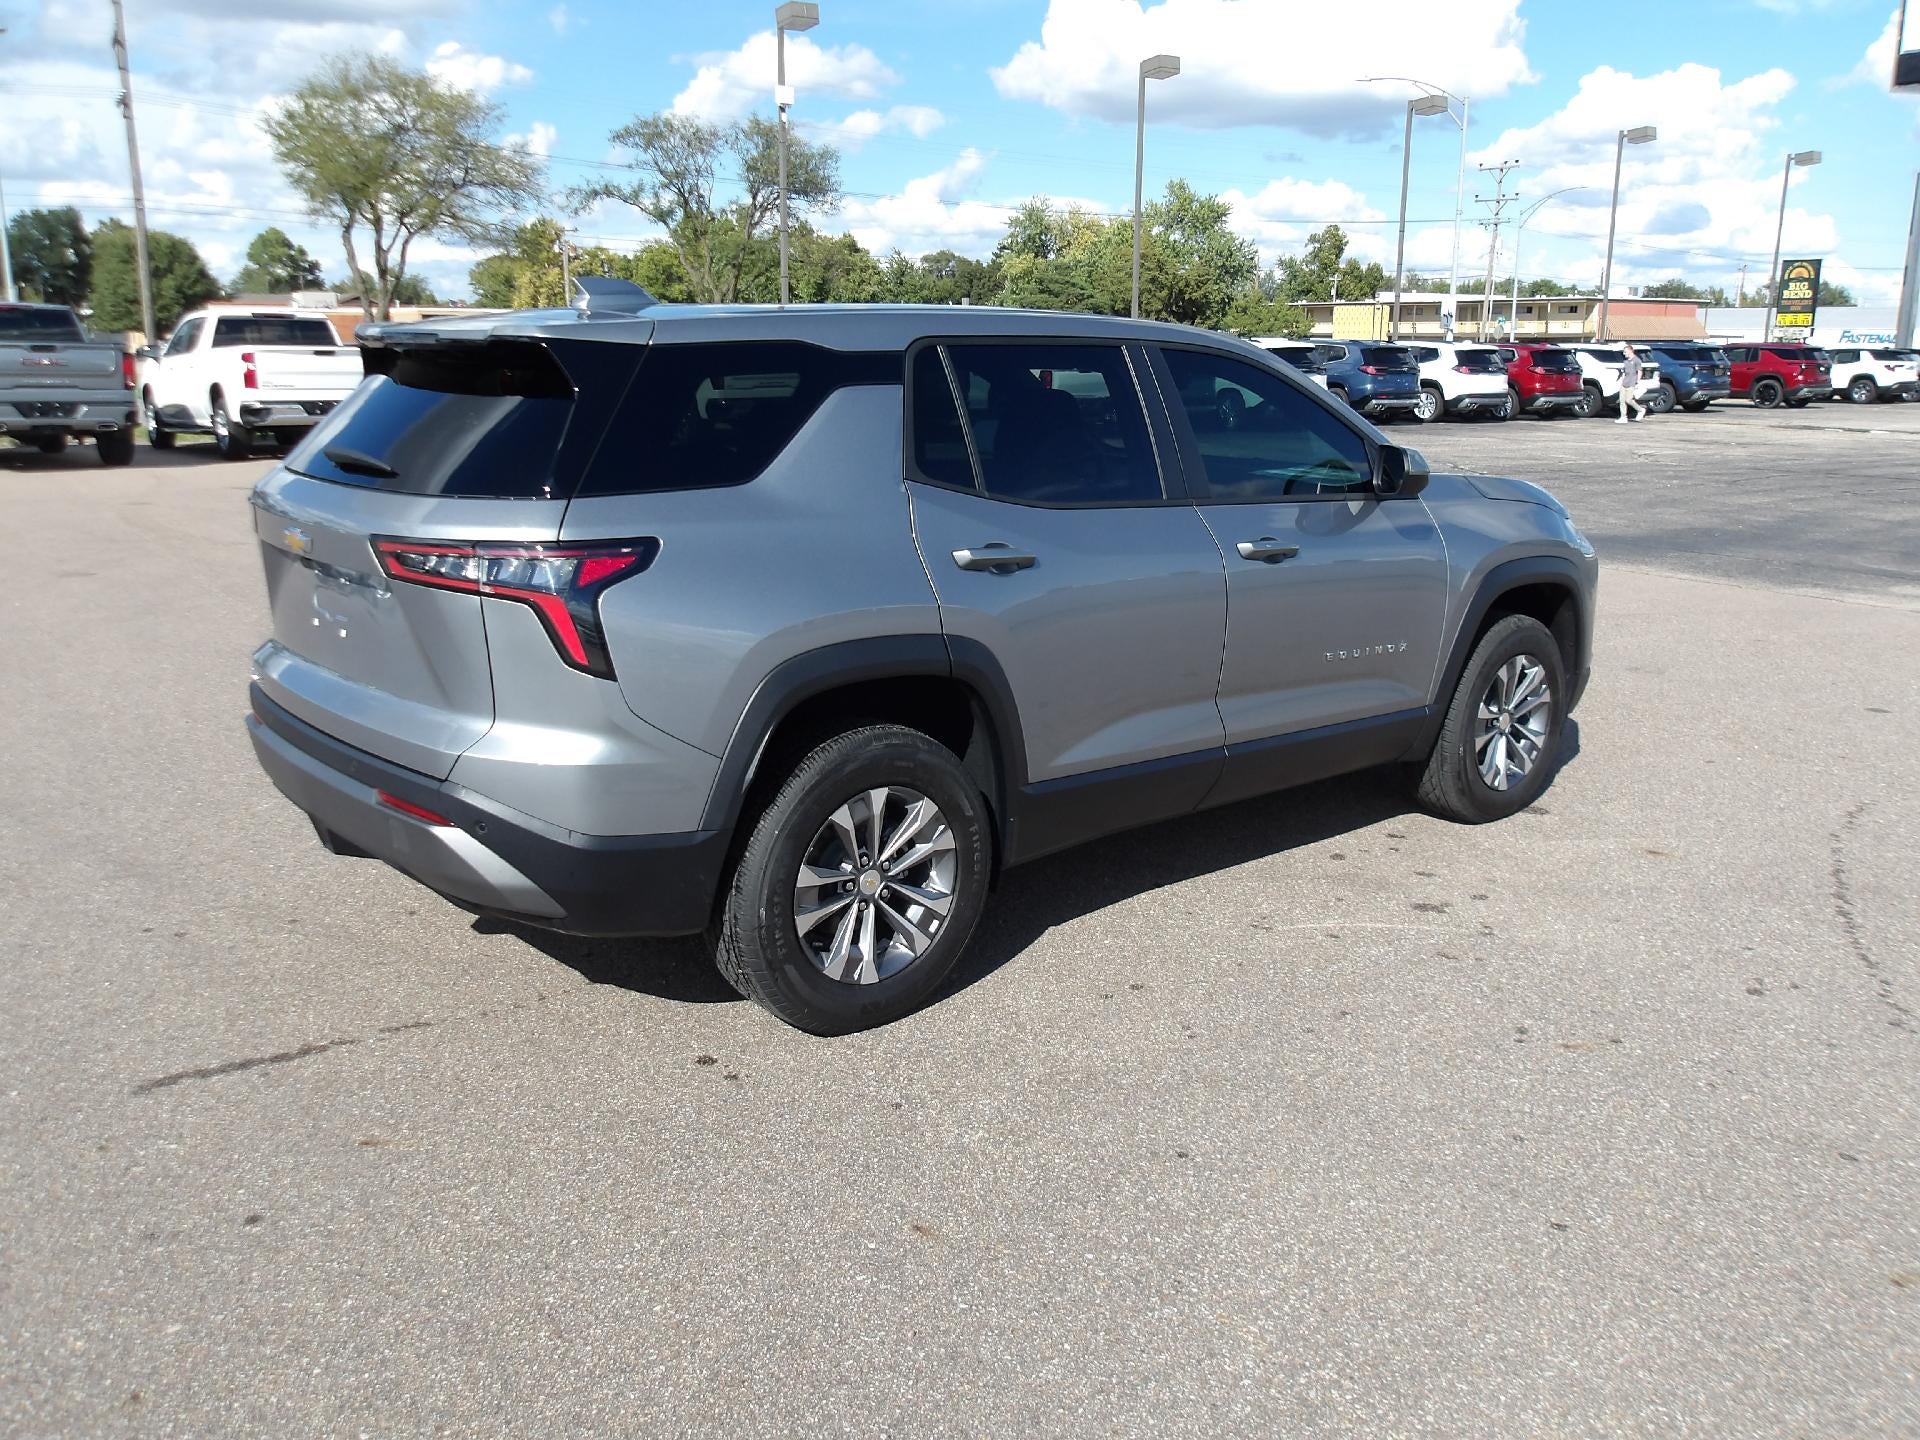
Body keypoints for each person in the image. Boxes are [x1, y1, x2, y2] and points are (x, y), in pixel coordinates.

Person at [1616, 341, 1647, 424]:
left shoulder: (1637, 360)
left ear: (1630, 351)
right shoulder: (1625, 361)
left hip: (1632, 383)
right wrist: (1621, 381)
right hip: (1624, 383)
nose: (1624, 353)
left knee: (1629, 400)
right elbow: (1624, 372)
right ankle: (1623, 417)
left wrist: (1637, 382)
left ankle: (1640, 410)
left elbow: (1640, 371)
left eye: (1625, 352)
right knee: (1622, 401)